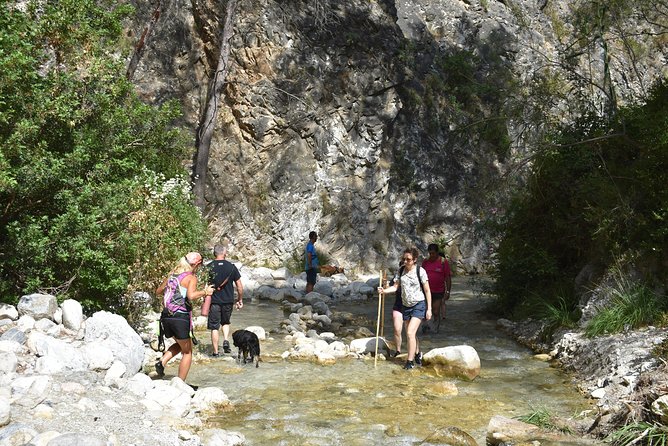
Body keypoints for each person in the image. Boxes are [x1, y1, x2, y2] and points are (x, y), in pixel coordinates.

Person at [155, 252, 213, 382]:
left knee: (181, 344)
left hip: (166, 317)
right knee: (187, 352)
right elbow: (191, 296)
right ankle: (180, 383)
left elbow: (158, 291)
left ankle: (162, 362)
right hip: (180, 317)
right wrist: (205, 292)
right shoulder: (190, 277)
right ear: (197, 264)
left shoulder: (172, 275)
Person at [379, 247, 432, 369]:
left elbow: (427, 291)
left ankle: (410, 362)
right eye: (404, 259)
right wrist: (384, 291)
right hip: (405, 305)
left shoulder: (421, 271)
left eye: (408, 259)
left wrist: (429, 309)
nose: (405, 261)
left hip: (419, 304)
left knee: (409, 333)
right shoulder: (401, 270)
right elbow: (395, 287)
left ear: (414, 260)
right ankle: (418, 353)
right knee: (411, 334)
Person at [207, 244, 244, 356]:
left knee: (214, 327)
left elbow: (204, 285)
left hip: (214, 301)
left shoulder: (209, 267)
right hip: (228, 300)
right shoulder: (232, 267)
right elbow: (239, 286)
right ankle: (226, 340)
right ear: (224, 253)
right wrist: (239, 299)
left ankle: (215, 352)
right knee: (225, 322)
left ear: (214, 253)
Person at [421, 243, 452, 333]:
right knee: (425, 310)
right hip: (426, 291)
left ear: (437, 252)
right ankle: (425, 326)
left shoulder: (443, 262)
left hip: (438, 291)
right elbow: (420, 275)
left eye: (433, 253)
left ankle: (435, 328)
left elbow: (447, 278)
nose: (432, 255)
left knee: (435, 310)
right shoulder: (425, 262)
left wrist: (448, 291)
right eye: (430, 253)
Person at [390, 260, 405, 357]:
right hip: (398, 305)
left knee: (410, 332)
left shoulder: (416, 274)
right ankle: (398, 351)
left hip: (412, 306)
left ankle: (416, 353)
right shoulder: (397, 276)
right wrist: (384, 288)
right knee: (397, 329)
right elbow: (392, 286)